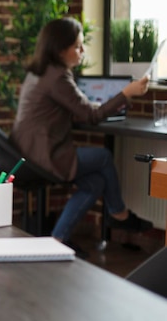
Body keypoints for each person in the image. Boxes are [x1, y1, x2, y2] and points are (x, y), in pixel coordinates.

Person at [10, 17, 153, 245]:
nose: (82, 50)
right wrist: (126, 93)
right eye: (77, 46)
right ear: (60, 50)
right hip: (44, 155)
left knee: (95, 182)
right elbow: (91, 116)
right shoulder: (58, 77)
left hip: (26, 151)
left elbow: (75, 108)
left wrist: (94, 105)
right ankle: (118, 213)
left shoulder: (42, 71)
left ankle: (55, 241)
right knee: (104, 157)